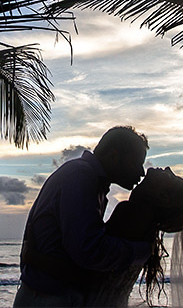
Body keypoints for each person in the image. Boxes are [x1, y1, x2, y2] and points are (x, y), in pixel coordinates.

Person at [13, 126, 153, 307]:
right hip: (48, 299)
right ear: (114, 156)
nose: (141, 172)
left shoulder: (91, 181)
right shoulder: (81, 176)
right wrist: (142, 251)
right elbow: (89, 250)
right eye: (135, 163)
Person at [84, 166, 183, 307]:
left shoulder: (133, 214)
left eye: (170, 177)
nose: (167, 168)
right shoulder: (145, 225)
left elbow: (91, 258)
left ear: (163, 197)